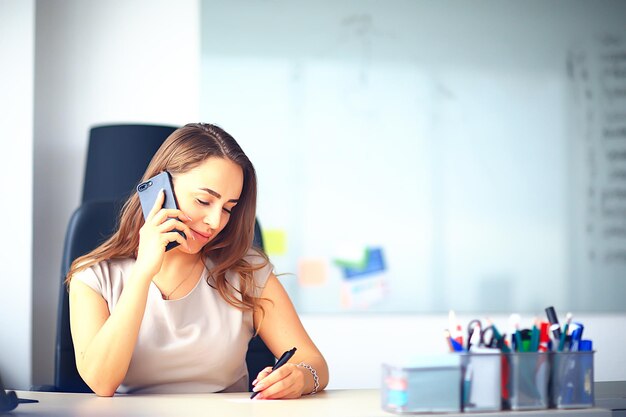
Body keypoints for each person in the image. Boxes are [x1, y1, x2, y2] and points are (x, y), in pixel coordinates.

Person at [67, 122, 329, 398]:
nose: (215, 222)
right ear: (160, 189)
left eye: (228, 208)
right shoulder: (93, 277)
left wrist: (300, 377)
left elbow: (315, 364)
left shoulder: (248, 272)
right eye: (204, 201)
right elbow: (101, 382)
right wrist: (143, 272)